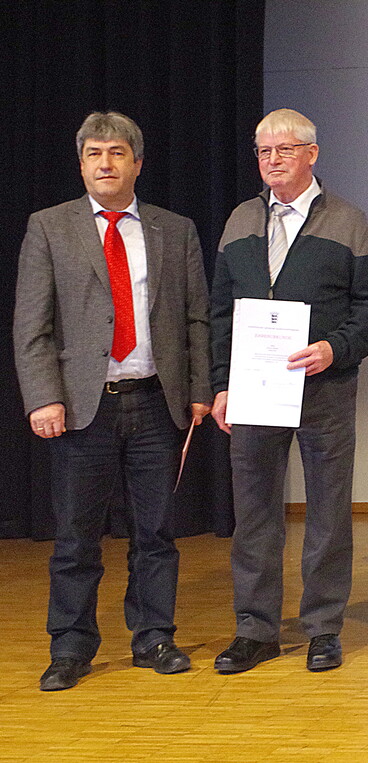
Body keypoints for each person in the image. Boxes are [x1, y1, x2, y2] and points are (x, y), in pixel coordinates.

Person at [14, 111, 212, 690]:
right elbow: (32, 327)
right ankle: (71, 646)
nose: (106, 163)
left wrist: (200, 389)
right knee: (76, 536)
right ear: (81, 163)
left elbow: (196, 318)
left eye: (117, 153)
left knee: (156, 532)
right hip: (81, 407)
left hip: (157, 403)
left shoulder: (174, 230)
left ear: (137, 162)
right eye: (95, 153)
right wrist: (43, 397)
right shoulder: (49, 227)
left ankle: (155, 637)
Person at [210, 108, 368, 674]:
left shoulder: (350, 221)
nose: (272, 160)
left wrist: (335, 348)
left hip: (325, 389)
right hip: (254, 391)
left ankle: (322, 628)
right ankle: (255, 629)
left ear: (312, 153)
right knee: (256, 512)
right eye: (263, 152)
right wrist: (221, 386)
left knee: (328, 512)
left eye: (284, 149)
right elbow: (217, 314)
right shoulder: (239, 220)